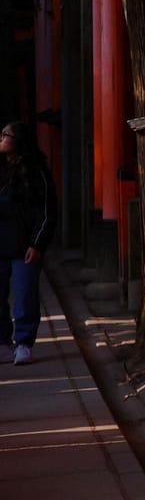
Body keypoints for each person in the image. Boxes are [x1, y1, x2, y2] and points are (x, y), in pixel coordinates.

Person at [0, 121, 53, 365]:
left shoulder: (37, 171)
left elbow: (46, 211)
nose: (1, 138)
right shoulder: (2, 168)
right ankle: (2, 343)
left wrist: (37, 243)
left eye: (5, 135)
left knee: (24, 296)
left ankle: (23, 343)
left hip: (24, 247)